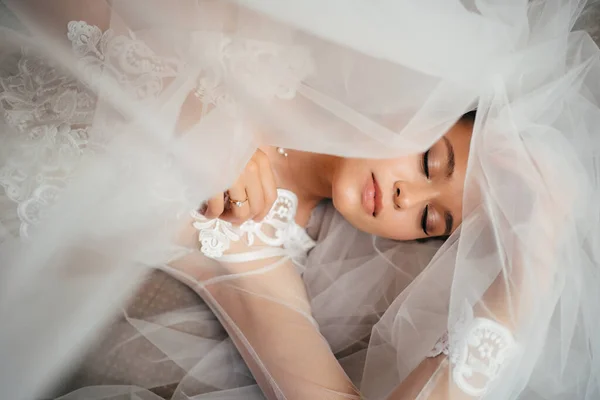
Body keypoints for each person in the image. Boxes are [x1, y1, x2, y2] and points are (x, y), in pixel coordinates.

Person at [0, 1, 598, 400]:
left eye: (429, 219)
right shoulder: (262, 36)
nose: (403, 196)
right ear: (414, 105)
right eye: (430, 160)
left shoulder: (258, 245)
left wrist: (525, 279)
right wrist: (199, 119)